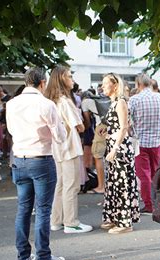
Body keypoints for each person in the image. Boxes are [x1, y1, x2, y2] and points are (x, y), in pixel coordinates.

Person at [7, 67, 67, 260]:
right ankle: (43, 257)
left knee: (23, 208)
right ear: (42, 83)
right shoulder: (46, 104)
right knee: (43, 210)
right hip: (41, 158)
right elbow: (59, 136)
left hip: (19, 158)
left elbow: (11, 130)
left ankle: (23, 256)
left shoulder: (12, 104)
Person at [44, 66, 92, 234]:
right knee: (71, 186)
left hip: (56, 147)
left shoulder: (51, 100)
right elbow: (79, 126)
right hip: (69, 147)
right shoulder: (64, 101)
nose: (72, 80)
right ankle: (71, 222)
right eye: (70, 76)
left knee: (60, 185)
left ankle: (56, 220)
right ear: (62, 79)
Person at [100, 73, 140, 234]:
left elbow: (124, 127)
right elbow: (119, 127)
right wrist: (108, 134)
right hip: (115, 146)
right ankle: (116, 217)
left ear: (115, 86)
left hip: (120, 150)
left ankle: (125, 223)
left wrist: (115, 148)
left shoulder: (120, 102)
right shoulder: (114, 102)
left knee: (122, 184)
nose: (102, 86)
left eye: (105, 83)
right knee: (114, 184)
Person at [129, 73, 160, 214]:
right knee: (156, 173)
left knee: (144, 175)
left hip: (140, 142)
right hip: (156, 142)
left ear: (138, 84)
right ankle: (158, 202)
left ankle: (149, 205)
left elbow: (128, 123)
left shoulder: (134, 100)